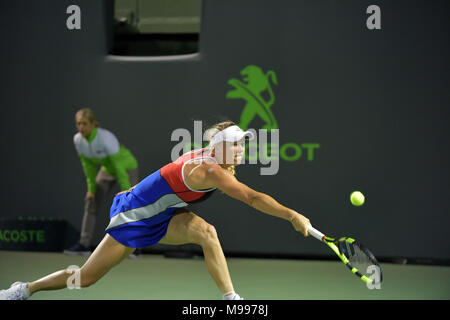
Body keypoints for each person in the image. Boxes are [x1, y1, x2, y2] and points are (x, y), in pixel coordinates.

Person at [0, 121, 312, 300]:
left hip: (162, 214)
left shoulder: (215, 160)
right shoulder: (212, 170)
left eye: (243, 144)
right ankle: (26, 289)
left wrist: (138, 189)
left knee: (207, 232)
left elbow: (167, 175)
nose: (241, 150)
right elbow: (252, 198)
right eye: (236, 145)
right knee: (85, 278)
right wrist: (292, 215)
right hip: (134, 217)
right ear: (218, 148)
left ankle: (231, 300)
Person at [64, 108, 140, 256]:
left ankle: (135, 247)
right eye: (78, 124)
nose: (81, 128)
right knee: (91, 201)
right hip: (107, 169)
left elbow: (119, 167)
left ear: (93, 124)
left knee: (131, 204)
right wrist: (91, 190)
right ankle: (84, 244)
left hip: (126, 167)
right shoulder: (78, 140)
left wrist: (127, 191)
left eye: (84, 124)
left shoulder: (106, 138)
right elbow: (88, 166)